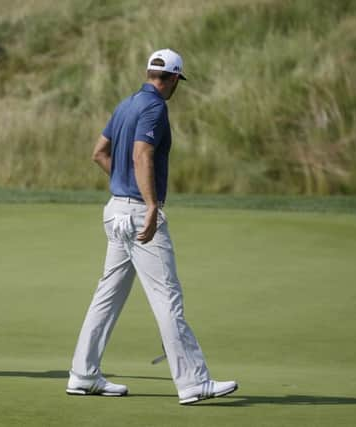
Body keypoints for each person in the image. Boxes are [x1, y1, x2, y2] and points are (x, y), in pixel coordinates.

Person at [67, 49, 238, 405]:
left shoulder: (126, 103)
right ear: (174, 78)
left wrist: (122, 184)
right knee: (167, 298)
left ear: (149, 73)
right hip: (137, 214)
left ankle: (83, 375)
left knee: (107, 296)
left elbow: (99, 152)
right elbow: (142, 153)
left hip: (115, 212)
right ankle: (193, 382)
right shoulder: (156, 108)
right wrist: (149, 204)